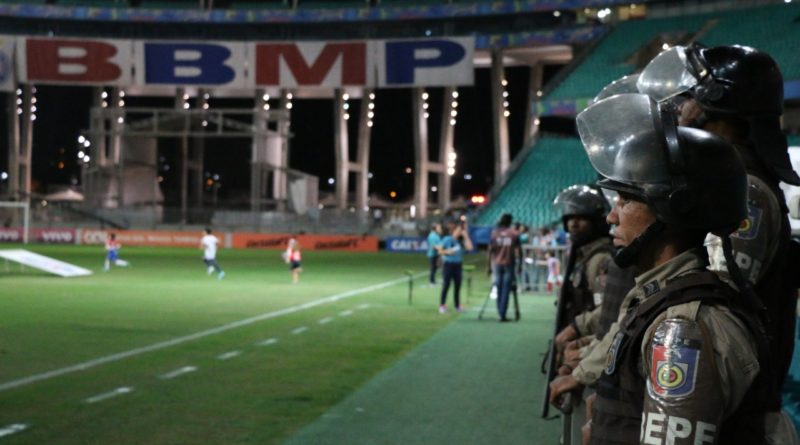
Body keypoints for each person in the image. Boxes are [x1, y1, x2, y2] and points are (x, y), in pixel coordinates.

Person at [551, 93, 769, 444]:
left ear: (673, 209)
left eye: (626, 200)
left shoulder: (681, 330)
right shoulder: (660, 301)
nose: (611, 215)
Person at [638, 44, 800, 442]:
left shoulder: (748, 191)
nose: (679, 104)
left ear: (717, 103)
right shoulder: (731, 179)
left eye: (691, 93)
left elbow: (718, 299)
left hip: (730, 410)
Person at [489, 213, 521, 322]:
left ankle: (500, 312)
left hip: (497, 264)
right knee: (506, 289)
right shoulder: (514, 234)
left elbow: (490, 251)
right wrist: (520, 265)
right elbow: (519, 251)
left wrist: (488, 266)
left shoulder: (494, 233)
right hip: (509, 264)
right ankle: (502, 313)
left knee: (499, 287)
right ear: (510, 222)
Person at [436, 220, 473, 314]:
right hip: (448, 265)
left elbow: (470, 248)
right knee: (446, 285)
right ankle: (442, 306)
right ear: (455, 230)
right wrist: (447, 252)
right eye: (459, 229)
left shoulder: (461, 241)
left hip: (458, 265)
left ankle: (457, 305)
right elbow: (439, 250)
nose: (460, 231)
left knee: (458, 286)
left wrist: (466, 236)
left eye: (461, 230)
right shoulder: (447, 239)